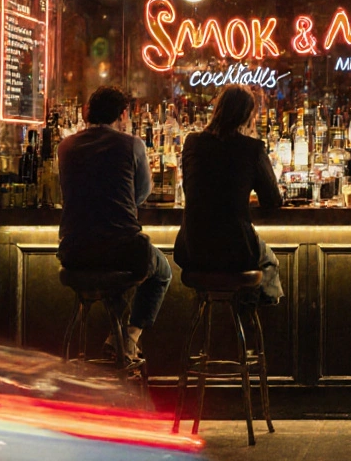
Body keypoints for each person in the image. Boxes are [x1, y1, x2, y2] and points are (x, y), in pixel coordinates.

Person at [57, 85, 172, 361]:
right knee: (162, 271)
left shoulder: (65, 146)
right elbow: (141, 194)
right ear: (123, 114)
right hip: (121, 252)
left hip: (74, 254)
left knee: (130, 269)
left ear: (88, 112)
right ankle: (127, 337)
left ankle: (116, 333)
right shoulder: (131, 144)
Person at [174, 84, 284, 304]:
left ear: (218, 109)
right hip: (236, 252)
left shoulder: (192, 143)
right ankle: (255, 321)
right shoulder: (252, 148)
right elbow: (272, 201)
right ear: (248, 116)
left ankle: (225, 325)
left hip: (192, 250)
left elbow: (192, 189)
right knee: (270, 262)